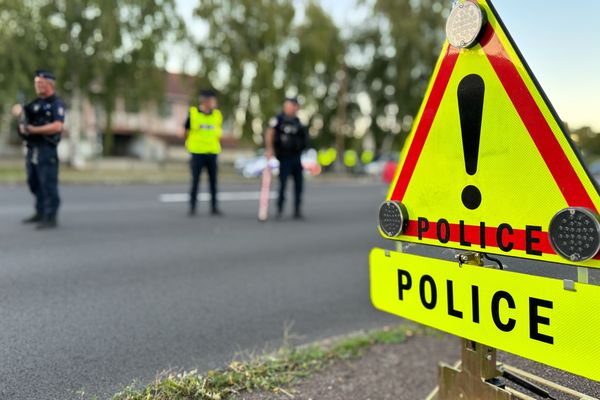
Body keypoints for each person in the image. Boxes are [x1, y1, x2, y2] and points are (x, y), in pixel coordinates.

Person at [18, 70, 65, 229]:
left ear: (49, 84)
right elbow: (24, 117)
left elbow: (58, 126)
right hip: (32, 148)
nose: (37, 86)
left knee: (48, 183)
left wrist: (33, 130)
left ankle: (50, 216)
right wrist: (19, 115)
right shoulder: (35, 103)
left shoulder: (55, 103)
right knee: (34, 181)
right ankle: (40, 211)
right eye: (36, 83)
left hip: (47, 149)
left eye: (40, 83)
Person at [265, 97, 309, 219]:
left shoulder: (298, 122)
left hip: (296, 157)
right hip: (284, 156)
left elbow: (304, 138)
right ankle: (279, 208)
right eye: (290, 105)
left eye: (294, 106)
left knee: (299, 184)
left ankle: (297, 209)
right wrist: (269, 149)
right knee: (283, 184)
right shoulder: (278, 119)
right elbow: (270, 133)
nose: (292, 108)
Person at [183, 89, 223, 216]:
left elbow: (217, 133)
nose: (214, 103)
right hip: (197, 152)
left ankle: (214, 207)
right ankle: (192, 207)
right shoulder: (193, 113)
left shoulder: (217, 115)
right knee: (195, 181)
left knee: (213, 181)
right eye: (212, 101)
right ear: (205, 101)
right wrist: (189, 144)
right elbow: (185, 131)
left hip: (212, 152)